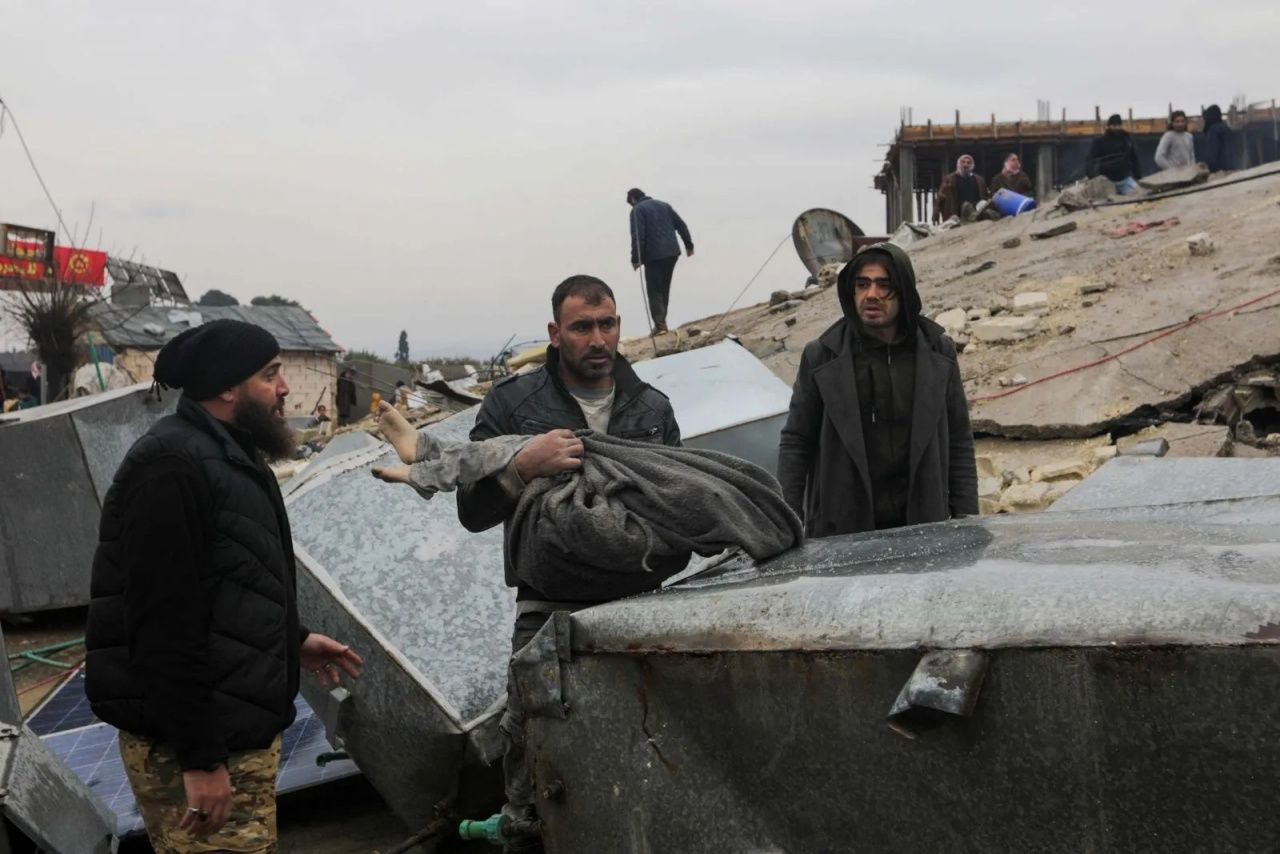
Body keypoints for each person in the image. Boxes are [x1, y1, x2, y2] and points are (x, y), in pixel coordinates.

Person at [85, 319, 363, 853]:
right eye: (271, 374)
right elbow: (162, 624)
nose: (283, 388)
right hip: (194, 746)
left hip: (228, 734)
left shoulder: (225, 453)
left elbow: (229, 581)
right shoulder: (172, 467)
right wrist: (200, 760)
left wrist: (291, 639)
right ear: (226, 387)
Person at [456, 274, 681, 852]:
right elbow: (472, 510)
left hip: (639, 607)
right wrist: (523, 467)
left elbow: (682, 504)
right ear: (555, 333)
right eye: (582, 327)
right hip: (548, 611)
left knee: (647, 758)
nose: (598, 338)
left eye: (607, 324)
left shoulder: (652, 408)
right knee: (534, 767)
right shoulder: (511, 405)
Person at [777, 242, 978, 538]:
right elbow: (796, 442)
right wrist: (787, 524)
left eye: (884, 285)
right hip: (842, 527)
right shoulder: (822, 356)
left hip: (922, 523)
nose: (871, 294)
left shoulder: (937, 352)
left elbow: (959, 440)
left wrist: (967, 520)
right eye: (862, 284)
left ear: (905, 291)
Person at [627, 188, 693, 334]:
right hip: (671, 253)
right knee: (664, 288)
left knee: (654, 290)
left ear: (632, 199)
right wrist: (689, 244)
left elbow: (638, 235)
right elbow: (681, 225)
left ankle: (660, 326)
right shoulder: (664, 205)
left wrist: (636, 258)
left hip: (654, 256)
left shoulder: (637, 210)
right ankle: (661, 323)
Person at [1087, 114, 1142, 195]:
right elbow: (1090, 162)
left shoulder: (1127, 140)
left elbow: (1134, 159)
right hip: (1106, 183)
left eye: (1119, 125)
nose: (1117, 128)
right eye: (1114, 125)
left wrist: (1139, 177)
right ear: (1109, 126)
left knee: (1140, 195)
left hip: (1124, 181)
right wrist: (1093, 178)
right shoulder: (1099, 142)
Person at [934, 154, 988, 222]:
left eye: (969, 163)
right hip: (954, 215)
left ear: (972, 166)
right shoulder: (949, 179)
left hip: (975, 215)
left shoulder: (979, 180)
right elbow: (940, 196)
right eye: (963, 162)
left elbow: (985, 197)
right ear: (958, 165)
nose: (965, 165)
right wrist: (936, 211)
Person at [1202, 104, 1234, 172]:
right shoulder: (1226, 128)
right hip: (1231, 168)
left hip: (1219, 171)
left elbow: (1212, 153)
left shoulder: (1213, 130)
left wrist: (1209, 168)